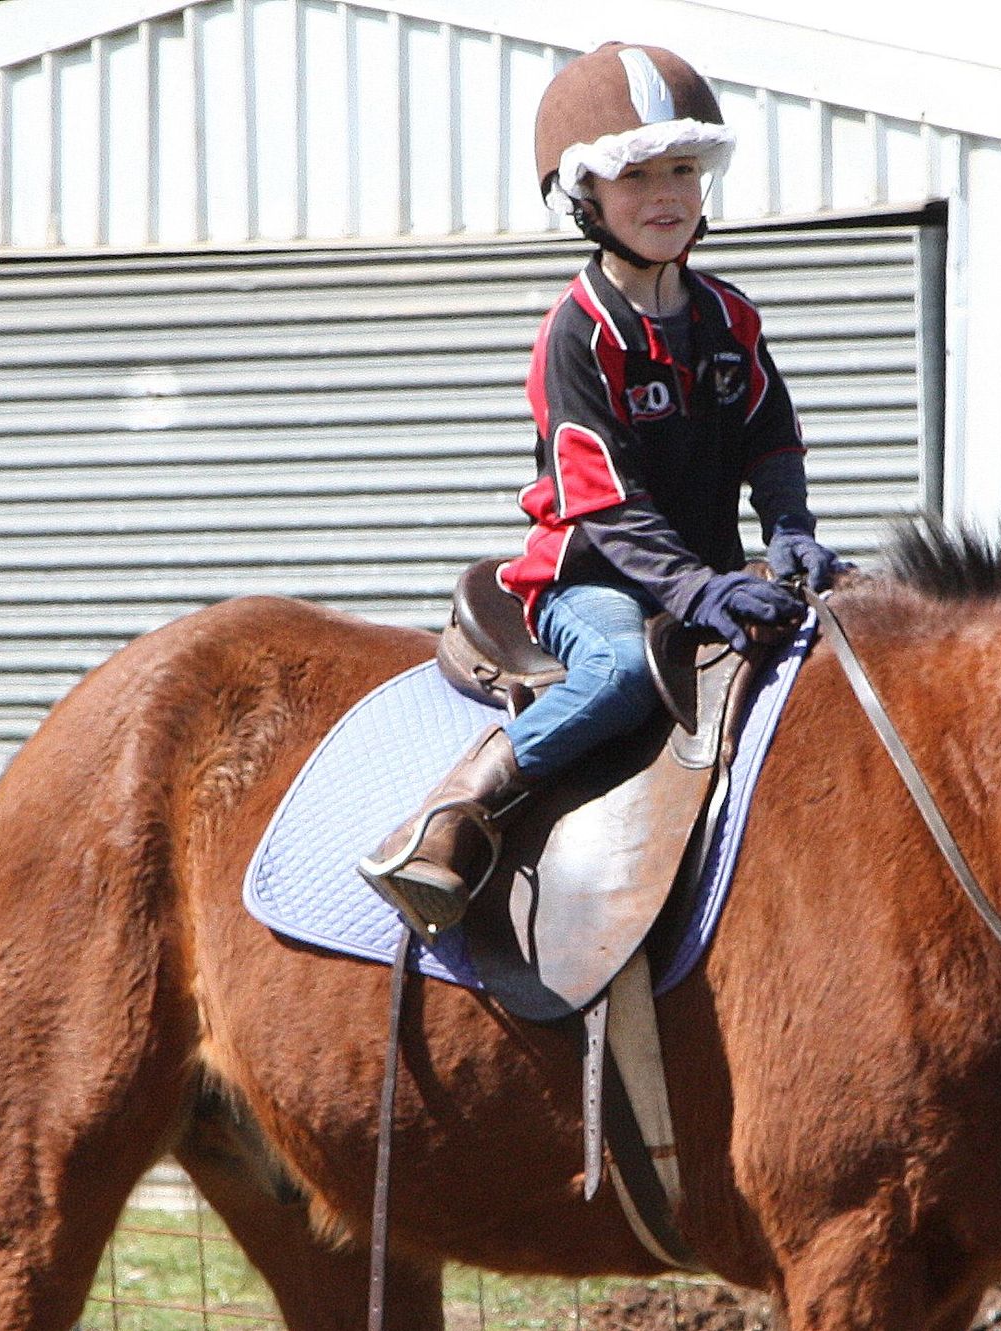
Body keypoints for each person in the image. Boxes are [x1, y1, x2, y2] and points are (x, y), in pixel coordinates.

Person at [359, 41, 844, 937]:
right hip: (589, 582)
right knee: (621, 672)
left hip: (708, 576)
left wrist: (790, 531)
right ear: (584, 197)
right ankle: (461, 802)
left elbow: (771, 438)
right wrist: (700, 587)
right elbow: (605, 501)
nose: (666, 195)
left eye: (683, 170)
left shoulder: (732, 319)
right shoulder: (575, 336)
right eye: (635, 176)